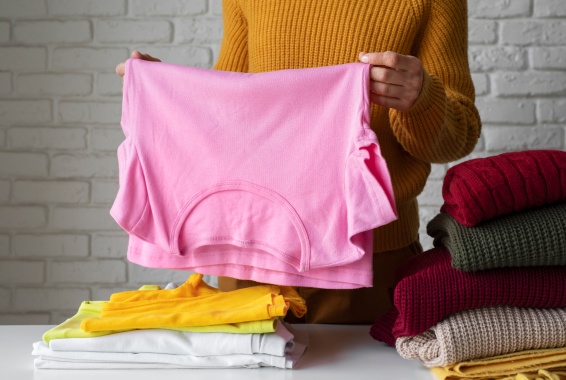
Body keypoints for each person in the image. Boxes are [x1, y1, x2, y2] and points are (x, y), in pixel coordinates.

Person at [116, 0, 481, 324]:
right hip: (251, 256)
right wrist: (165, 94)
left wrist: (422, 99)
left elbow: (459, 137)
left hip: (370, 259)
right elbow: (233, 108)